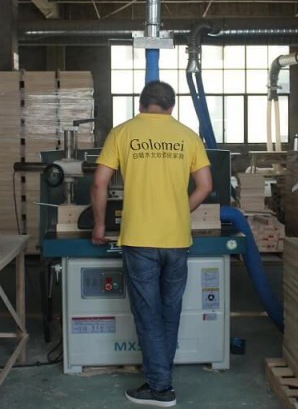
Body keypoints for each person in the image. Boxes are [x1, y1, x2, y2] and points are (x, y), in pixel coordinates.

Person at [90, 81, 212, 407]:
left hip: (139, 239)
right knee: (170, 312)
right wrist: (179, 210)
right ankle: (161, 378)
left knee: (148, 315)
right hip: (177, 240)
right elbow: (205, 186)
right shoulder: (188, 136)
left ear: (141, 104)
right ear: (171, 106)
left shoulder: (123, 133)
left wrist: (99, 225)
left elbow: (99, 183)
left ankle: (160, 388)